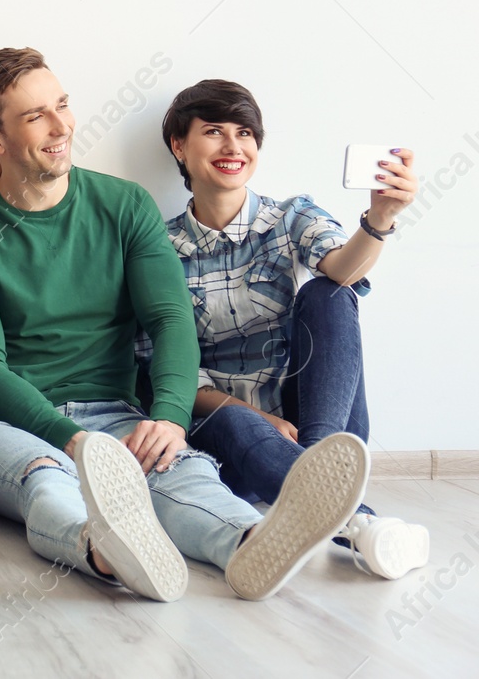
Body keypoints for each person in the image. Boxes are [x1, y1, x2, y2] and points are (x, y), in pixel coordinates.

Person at [0, 48, 372, 603]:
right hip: (2, 426)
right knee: (47, 477)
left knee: (183, 472)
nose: (61, 125)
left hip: (118, 413)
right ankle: (104, 551)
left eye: (62, 105)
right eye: (34, 116)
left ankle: (252, 541)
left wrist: (168, 419)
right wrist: (71, 440)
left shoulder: (123, 206)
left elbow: (169, 321)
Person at [156, 79, 429, 579]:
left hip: (314, 426)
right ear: (179, 145)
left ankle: (320, 462)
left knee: (329, 291)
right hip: (231, 439)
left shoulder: (290, 217)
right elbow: (167, 370)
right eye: (213, 131)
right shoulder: (158, 248)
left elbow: (345, 270)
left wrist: (380, 218)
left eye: (245, 133)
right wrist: (254, 418)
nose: (233, 147)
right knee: (233, 419)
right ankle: (359, 523)